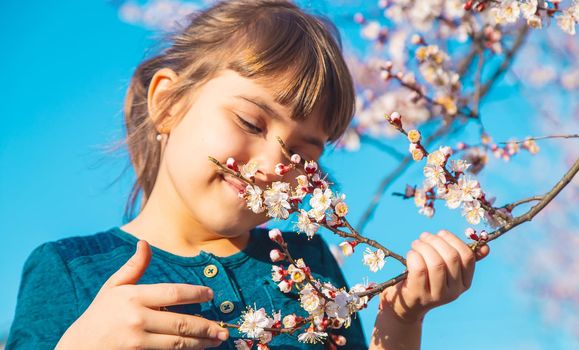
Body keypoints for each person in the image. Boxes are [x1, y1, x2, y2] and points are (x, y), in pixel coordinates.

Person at [6, 0, 490, 349]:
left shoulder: (306, 267)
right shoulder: (71, 270)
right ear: (168, 103)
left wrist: (401, 320)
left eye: (303, 154)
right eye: (249, 123)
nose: (272, 166)